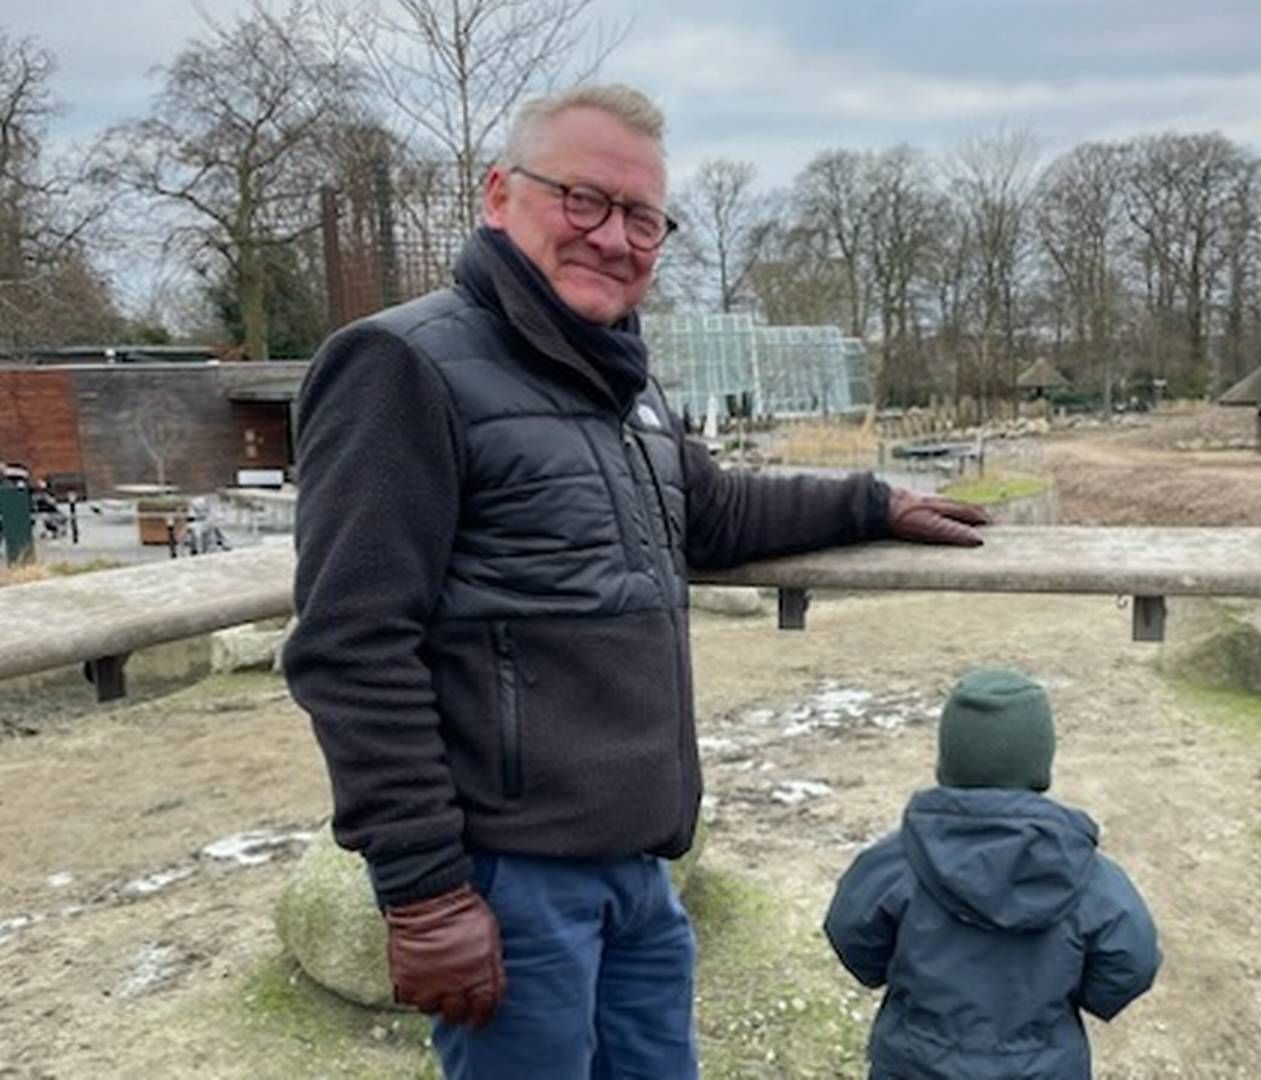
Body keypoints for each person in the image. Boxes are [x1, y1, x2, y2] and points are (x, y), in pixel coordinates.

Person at [283, 82, 989, 1080]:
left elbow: (711, 512)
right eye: (584, 201)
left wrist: (869, 503)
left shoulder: (618, 380)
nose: (614, 238)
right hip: (507, 878)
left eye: (643, 218)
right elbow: (350, 642)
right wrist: (426, 891)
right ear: (499, 194)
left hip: (639, 866)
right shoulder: (404, 367)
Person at [824, 667, 1161, 1080]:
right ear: (1039, 763)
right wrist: (1080, 1000)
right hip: (1044, 1066)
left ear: (948, 760)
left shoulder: (897, 862)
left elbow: (851, 934)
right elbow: (1132, 962)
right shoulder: (1087, 875)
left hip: (915, 1063)